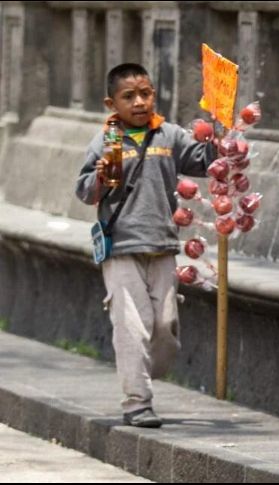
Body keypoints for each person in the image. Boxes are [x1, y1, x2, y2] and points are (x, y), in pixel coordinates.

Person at [75, 63, 216, 428]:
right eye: (129, 96)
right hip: (121, 244)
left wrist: (222, 137)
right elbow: (84, 190)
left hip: (163, 243)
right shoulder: (107, 141)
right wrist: (105, 174)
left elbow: (204, 162)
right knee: (131, 325)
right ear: (112, 103)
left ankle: (139, 371)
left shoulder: (168, 135)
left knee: (165, 327)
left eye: (146, 93)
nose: (139, 102)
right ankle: (137, 401)